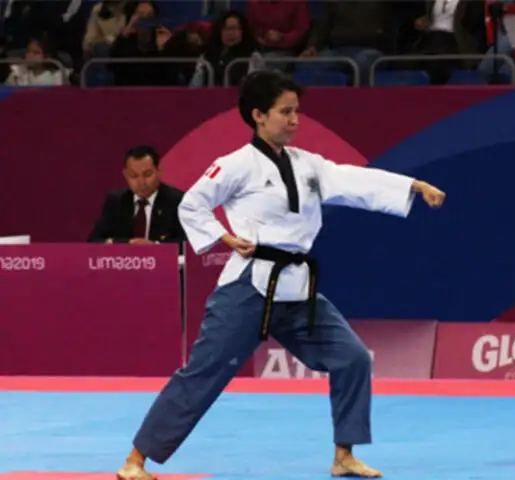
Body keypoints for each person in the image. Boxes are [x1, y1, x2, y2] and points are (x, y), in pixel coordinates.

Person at [115, 70, 446, 480]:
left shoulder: (308, 164)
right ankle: (135, 460)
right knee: (205, 372)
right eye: (284, 112)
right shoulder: (235, 165)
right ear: (258, 115)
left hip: (296, 287)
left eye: (297, 112)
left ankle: (344, 455)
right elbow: (193, 205)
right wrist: (224, 237)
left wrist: (412, 185)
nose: (294, 119)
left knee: (353, 358)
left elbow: (353, 180)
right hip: (249, 286)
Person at [88, 145, 185, 244]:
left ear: (159, 170)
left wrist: (156, 247)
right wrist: (127, 244)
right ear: (125, 175)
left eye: (147, 174)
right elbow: (94, 242)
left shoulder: (177, 201)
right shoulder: (116, 201)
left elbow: (187, 244)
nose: (141, 182)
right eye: (134, 176)